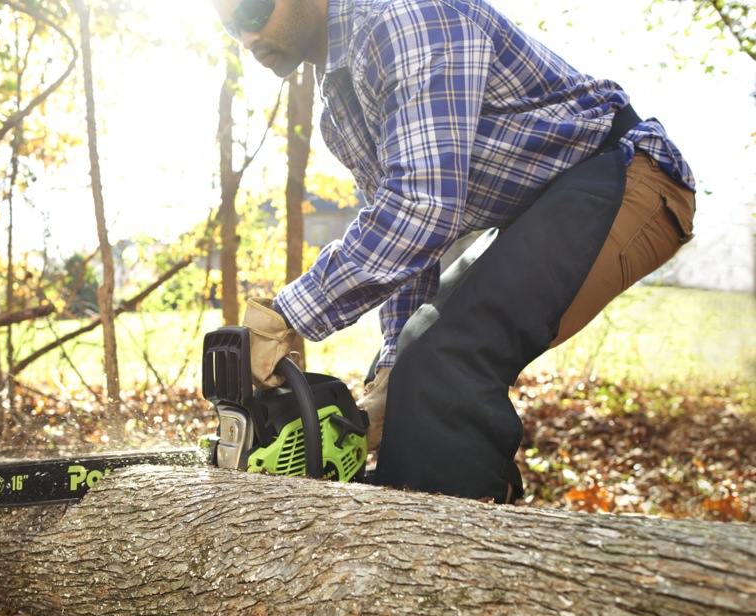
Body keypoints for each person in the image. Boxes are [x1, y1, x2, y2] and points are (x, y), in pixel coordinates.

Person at [211, 0, 696, 503]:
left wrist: (284, 316)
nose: (246, 39)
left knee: (443, 360)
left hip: (624, 173)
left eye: (251, 12)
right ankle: (439, 505)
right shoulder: (341, 108)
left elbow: (421, 209)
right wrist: (390, 374)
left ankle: (451, 556)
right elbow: (406, 246)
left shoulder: (404, 19)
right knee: (409, 364)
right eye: (229, 28)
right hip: (538, 207)